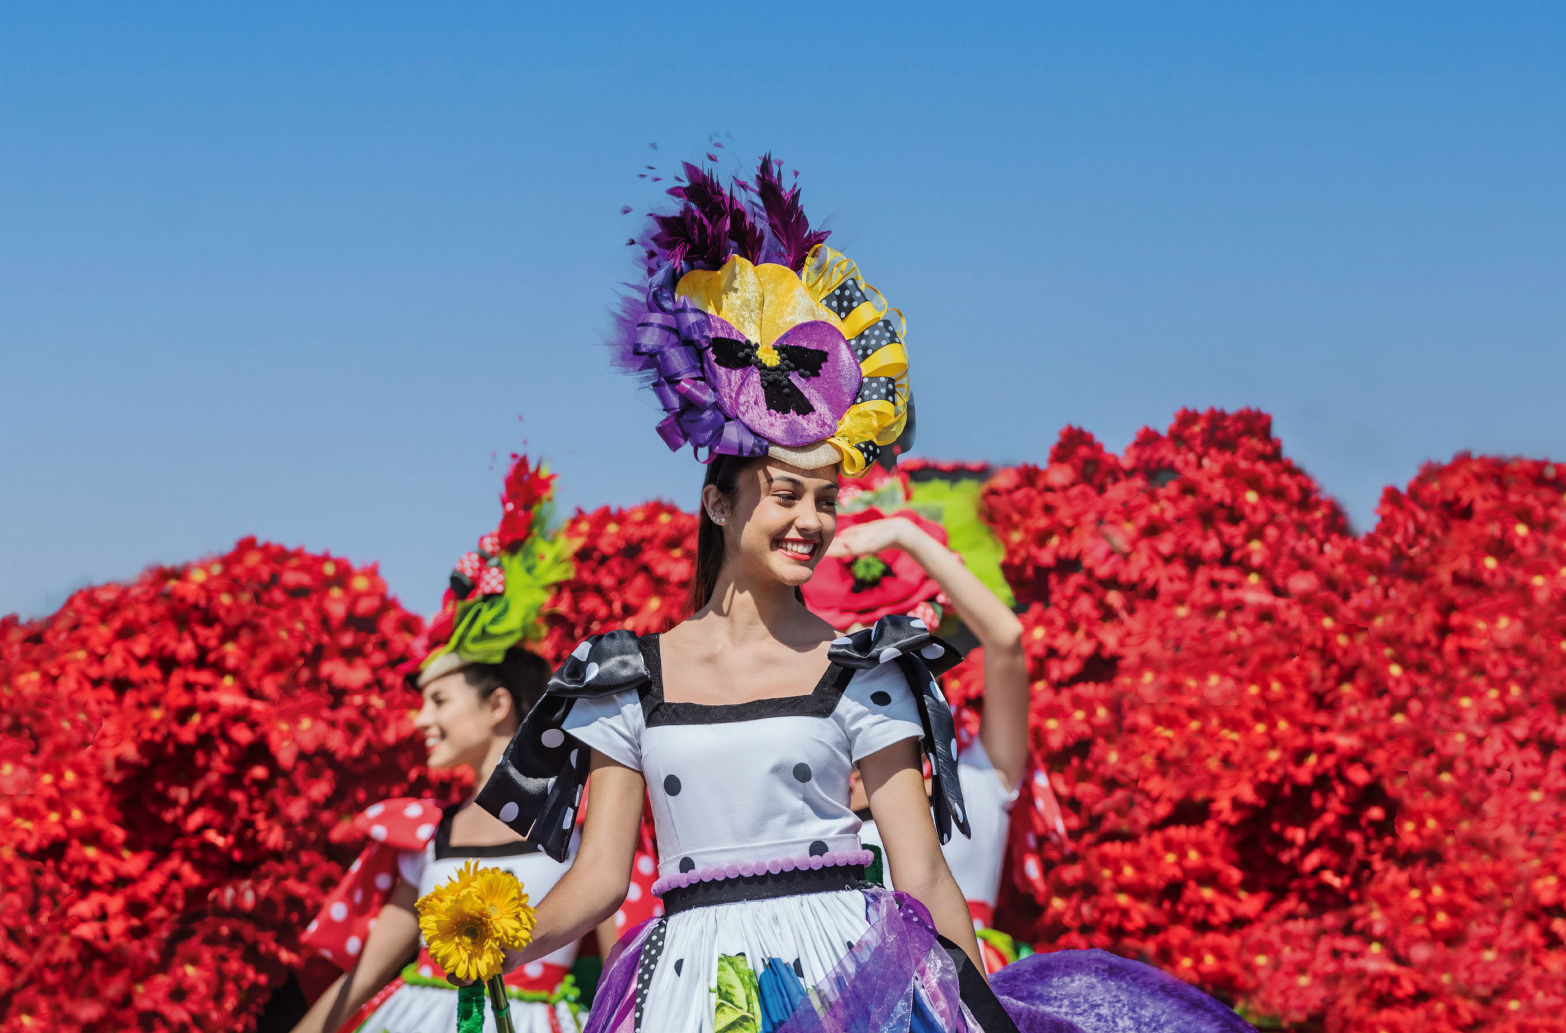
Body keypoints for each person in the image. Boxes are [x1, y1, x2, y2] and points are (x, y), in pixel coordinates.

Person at [465, 155, 1255, 1033]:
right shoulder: (625, 677)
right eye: (785, 493)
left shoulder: (867, 669)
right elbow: (601, 879)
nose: (810, 521)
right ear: (719, 502)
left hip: (850, 983)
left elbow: (920, 877)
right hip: (687, 991)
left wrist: (986, 1022)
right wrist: (489, 941)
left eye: (827, 499)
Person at [290, 460, 592, 1033]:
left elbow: (635, 954)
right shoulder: (424, 836)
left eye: (439, 701)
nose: (420, 720)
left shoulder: (584, 824)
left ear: (497, 705)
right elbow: (364, 976)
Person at [826, 511, 1032, 969]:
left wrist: (908, 537)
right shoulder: (825, 800)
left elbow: (1006, 639)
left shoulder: (980, 777)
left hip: (976, 979)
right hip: (854, 993)